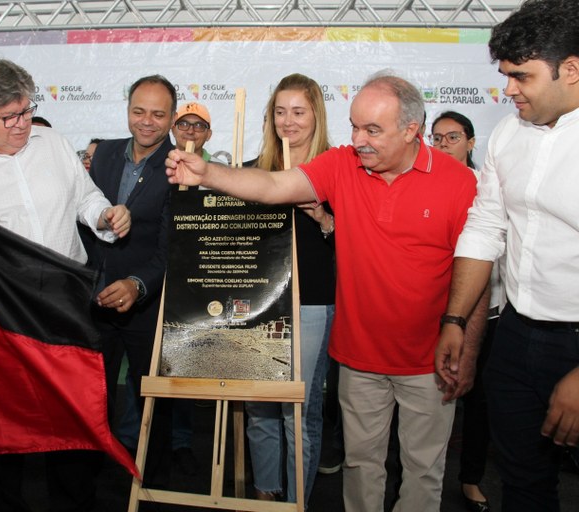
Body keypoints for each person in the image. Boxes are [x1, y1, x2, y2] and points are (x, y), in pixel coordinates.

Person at [166, 73, 484, 511]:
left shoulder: (459, 182)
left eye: (373, 130)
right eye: (355, 126)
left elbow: (477, 269)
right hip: (358, 358)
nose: (359, 139)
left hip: (428, 360)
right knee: (361, 467)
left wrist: (466, 344)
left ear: (411, 130)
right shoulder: (342, 164)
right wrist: (209, 173)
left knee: (423, 473)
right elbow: (273, 186)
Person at [0, 57, 130, 512]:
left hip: (66, 307)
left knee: (75, 427)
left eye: (26, 110)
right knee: (3, 434)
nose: (22, 124)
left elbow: (84, 197)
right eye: (9, 117)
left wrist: (102, 215)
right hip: (1, 319)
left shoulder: (54, 143)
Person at [435, 0, 579, 509]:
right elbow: (485, 229)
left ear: (571, 69)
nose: (509, 89)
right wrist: (454, 319)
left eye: (521, 76)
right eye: (505, 75)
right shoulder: (506, 134)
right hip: (516, 338)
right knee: (522, 481)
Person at [240, 73, 336, 507]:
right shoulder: (250, 173)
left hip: (312, 303)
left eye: (298, 111)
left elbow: (361, 245)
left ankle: (297, 501)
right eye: (280, 111)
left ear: (316, 114)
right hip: (260, 305)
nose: (288, 121)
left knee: (298, 412)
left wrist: (323, 218)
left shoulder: (337, 171)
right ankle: (265, 494)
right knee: (259, 409)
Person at [80, 74, 176, 488]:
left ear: (173, 117)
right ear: (127, 111)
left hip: (146, 305)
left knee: (152, 400)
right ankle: (91, 474)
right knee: (92, 394)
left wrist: (139, 284)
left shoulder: (179, 167)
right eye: (139, 111)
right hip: (94, 300)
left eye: (158, 114)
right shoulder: (104, 156)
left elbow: (172, 247)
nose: (147, 122)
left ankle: (152, 483)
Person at [431, 111, 497, 512]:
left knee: (478, 399)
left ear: (471, 143)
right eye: (436, 138)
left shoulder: (487, 186)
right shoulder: (424, 183)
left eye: (451, 138)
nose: (442, 145)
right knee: (429, 403)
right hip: (436, 313)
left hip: (484, 311)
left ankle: (471, 478)